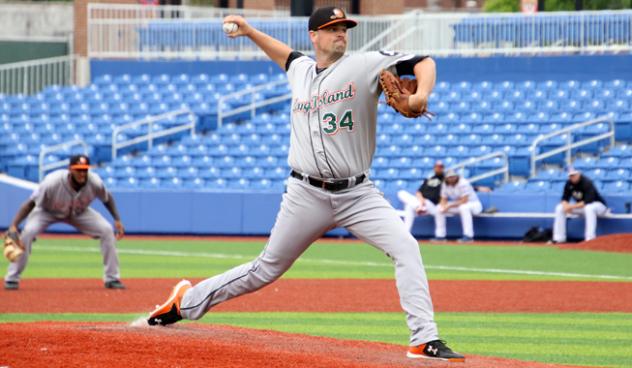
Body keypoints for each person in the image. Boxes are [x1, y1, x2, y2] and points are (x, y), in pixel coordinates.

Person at [147, 7, 464, 362]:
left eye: (344, 27)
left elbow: (424, 61)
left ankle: (424, 339)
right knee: (265, 269)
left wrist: (421, 95)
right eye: (332, 28)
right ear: (314, 35)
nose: (341, 33)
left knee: (406, 247)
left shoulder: (366, 64)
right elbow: (286, 55)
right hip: (305, 193)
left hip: (358, 193)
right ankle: (185, 302)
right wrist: (250, 31)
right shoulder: (300, 70)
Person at [3, 154, 126, 290]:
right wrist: (14, 225)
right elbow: (30, 203)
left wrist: (117, 219)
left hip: (79, 213)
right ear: (70, 169)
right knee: (28, 232)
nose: (82, 173)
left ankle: (112, 278)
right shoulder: (52, 182)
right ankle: (12, 278)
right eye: (78, 169)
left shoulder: (95, 182)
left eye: (85, 169)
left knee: (107, 230)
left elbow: (107, 199)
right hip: (47, 212)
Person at [552, 168, 608, 243]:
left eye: (574, 175)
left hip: (599, 206)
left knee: (589, 208)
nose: (572, 177)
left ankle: (590, 238)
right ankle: (559, 238)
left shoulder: (586, 182)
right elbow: (564, 198)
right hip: (583, 208)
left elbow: (588, 201)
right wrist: (565, 205)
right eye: (570, 176)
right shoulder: (569, 183)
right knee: (559, 208)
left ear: (578, 174)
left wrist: (570, 207)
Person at [397, 160, 445, 234]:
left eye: (441, 167)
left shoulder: (444, 179)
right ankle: (406, 234)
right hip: (420, 203)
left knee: (409, 206)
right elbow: (418, 192)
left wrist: (424, 201)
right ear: (434, 168)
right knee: (402, 193)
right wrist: (421, 200)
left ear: (443, 168)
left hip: (431, 205)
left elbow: (445, 193)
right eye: (437, 167)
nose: (439, 168)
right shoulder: (429, 179)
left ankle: (419, 207)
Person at [434, 170, 482, 243]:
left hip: (474, 204)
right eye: (450, 177)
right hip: (458, 205)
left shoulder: (463, 182)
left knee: (464, 208)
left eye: (453, 176)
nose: (452, 178)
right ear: (446, 178)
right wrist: (443, 206)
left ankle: (468, 236)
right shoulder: (444, 184)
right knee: (439, 208)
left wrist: (449, 206)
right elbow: (443, 198)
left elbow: (464, 200)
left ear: (457, 176)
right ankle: (440, 236)